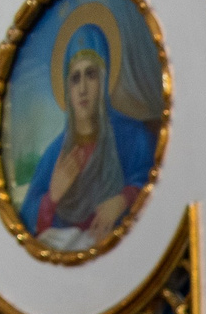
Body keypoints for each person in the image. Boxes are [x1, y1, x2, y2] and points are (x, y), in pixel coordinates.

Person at [18, 19, 158, 252]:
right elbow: (24, 221)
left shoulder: (134, 137)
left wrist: (124, 198)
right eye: (75, 78)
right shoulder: (55, 155)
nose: (82, 88)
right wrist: (51, 197)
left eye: (91, 75)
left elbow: (156, 182)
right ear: (67, 88)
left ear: (104, 81)